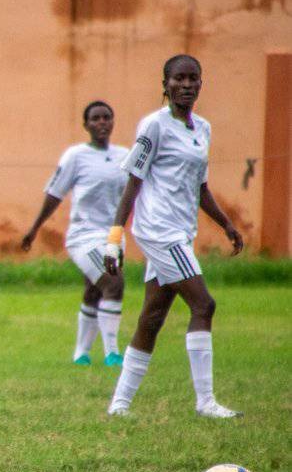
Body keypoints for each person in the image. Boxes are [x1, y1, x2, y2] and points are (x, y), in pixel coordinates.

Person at [104, 54, 243, 418]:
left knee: (152, 316)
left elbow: (200, 187)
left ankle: (119, 406)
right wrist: (114, 239)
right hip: (159, 231)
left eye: (193, 78)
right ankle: (206, 402)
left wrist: (226, 224)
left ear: (201, 83)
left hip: (181, 231)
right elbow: (133, 182)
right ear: (165, 84)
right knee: (204, 305)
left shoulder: (203, 129)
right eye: (179, 79)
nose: (186, 85)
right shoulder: (154, 125)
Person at [22, 101, 129, 367]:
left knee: (94, 291)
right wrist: (34, 228)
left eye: (106, 117)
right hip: (83, 237)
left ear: (113, 122)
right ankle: (112, 353)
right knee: (113, 283)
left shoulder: (124, 156)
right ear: (86, 125)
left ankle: (81, 354)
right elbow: (55, 193)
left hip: (113, 235)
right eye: (96, 118)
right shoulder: (76, 156)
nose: (102, 122)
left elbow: (135, 191)